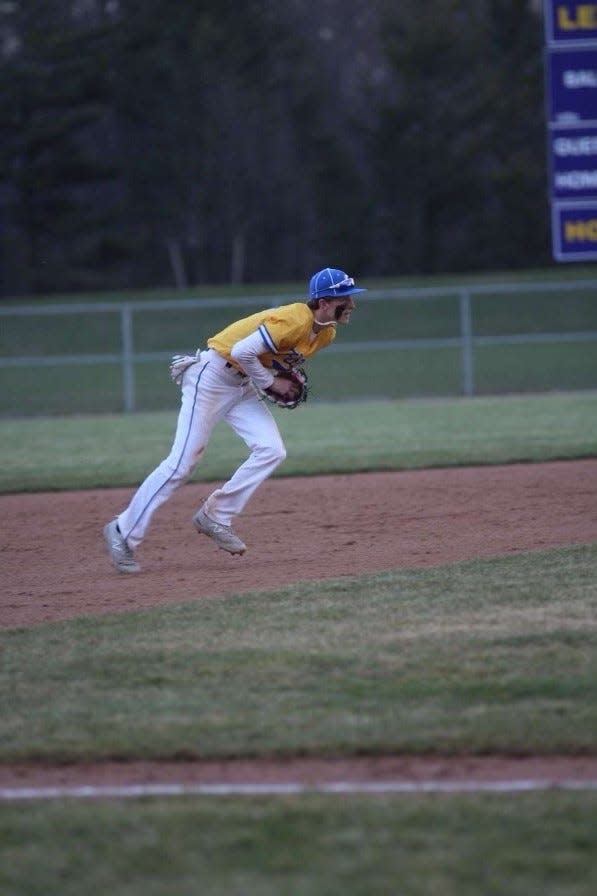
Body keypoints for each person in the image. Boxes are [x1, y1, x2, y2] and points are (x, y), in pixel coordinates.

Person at [103, 267, 366, 573]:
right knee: (181, 464)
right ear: (323, 302)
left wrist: (277, 377)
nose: (351, 305)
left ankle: (215, 515)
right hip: (212, 377)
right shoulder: (295, 320)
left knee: (271, 449)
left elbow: (268, 359)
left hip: (241, 384)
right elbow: (242, 351)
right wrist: (270, 383)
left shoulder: (326, 334)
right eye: (344, 299)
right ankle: (122, 531)